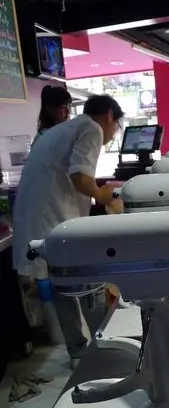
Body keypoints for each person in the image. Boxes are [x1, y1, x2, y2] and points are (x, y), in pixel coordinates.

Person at [13, 94, 124, 365]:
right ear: (110, 116)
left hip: (39, 220)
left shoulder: (62, 130)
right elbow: (80, 178)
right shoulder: (92, 127)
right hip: (53, 220)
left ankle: (78, 350)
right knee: (89, 281)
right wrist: (105, 196)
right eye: (117, 126)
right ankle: (105, 348)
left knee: (62, 284)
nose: (113, 133)